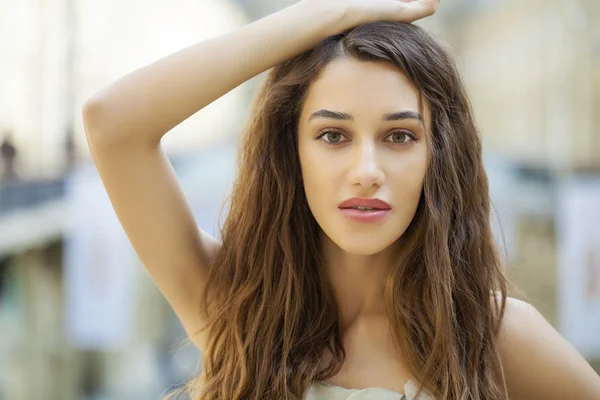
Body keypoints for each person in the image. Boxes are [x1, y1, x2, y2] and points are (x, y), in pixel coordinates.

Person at [81, 1, 600, 399]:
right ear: (292, 151)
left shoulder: (491, 336)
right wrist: (330, 14)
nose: (367, 172)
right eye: (333, 136)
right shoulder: (241, 314)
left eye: (399, 137)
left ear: (436, 157)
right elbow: (113, 123)